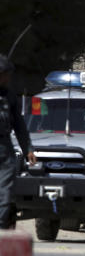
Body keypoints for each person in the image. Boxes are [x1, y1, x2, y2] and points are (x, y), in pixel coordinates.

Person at [0, 56, 36, 230]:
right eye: (5, 75)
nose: (8, 79)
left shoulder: (9, 96)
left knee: (5, 191)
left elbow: (20, 126)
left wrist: (28, 149)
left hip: (4, 149)